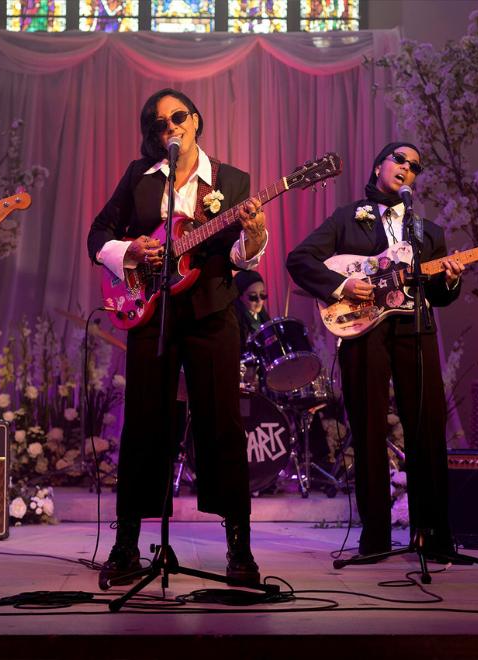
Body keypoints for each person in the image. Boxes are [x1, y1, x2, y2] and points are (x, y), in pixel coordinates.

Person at [87, 88, 268, 586]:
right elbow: (97, 236)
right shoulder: (138, 178)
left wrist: (253, 235)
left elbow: (239, 257)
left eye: (178, 117)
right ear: (154, 133)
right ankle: (126, 546)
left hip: (211, 313)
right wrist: (130, 249)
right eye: (159, 122)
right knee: (144, 425)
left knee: (222, 426)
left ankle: (240, 549)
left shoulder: (232, 181)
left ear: (196, 120)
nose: (171, 126)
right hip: (152, 315)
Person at [285, 142, 464, 557]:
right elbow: (300, 259)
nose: (407, 168)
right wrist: (342, 285)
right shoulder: (349, 217)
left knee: (427, 427)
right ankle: (375, 537)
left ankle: (433, 534)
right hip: (364, 331)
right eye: (399, 159)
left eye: (415, 166)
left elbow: (439, 294)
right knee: (367, 427)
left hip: (415, 328)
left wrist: (450, 278)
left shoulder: (428, 232)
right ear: (379, 164)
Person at [233, 269, 271, 350]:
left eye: (262, 295)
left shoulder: (262, 316)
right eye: (253, 296)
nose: (259, 300)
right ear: (240, 297)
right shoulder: (233, 321)